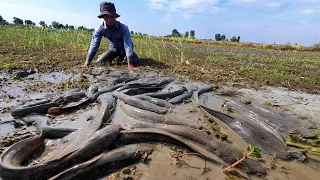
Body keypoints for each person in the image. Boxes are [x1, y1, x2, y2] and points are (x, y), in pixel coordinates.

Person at [82, 2, 140, 70]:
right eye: (106, 16)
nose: (109, 19)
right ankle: (115, 58)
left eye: (112, 16)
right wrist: (87, 62)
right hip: (113, 49)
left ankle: (123, 58)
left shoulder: (123, 27)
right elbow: (94, 45)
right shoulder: (100, 29)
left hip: (124, 49)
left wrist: (130, 64)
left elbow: (128, 45)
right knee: (99, 62)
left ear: (115, 16)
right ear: (102, 17)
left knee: (136, 61)